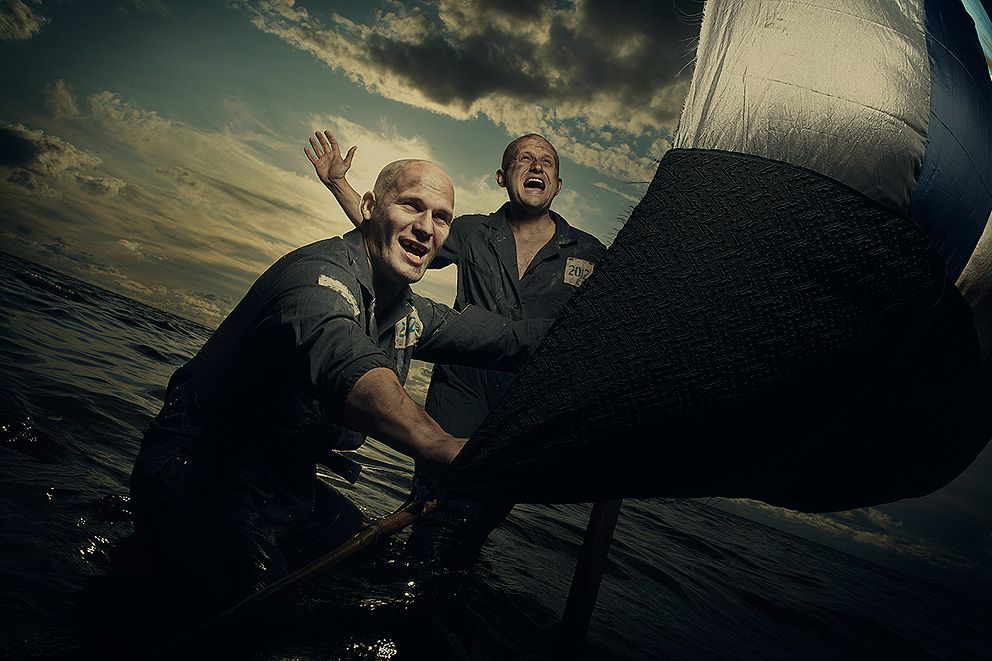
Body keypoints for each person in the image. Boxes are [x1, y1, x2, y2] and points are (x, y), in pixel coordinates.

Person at [128, 159, 551, 626]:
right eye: (411, 205)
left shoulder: (407, 312)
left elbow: (509, 339)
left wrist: (597, 330)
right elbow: (345, 361)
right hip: (195, 474)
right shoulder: (317, 278)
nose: (426, 227)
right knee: (258, 619)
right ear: (369, 207)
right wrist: (435, 443)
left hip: (284, 486)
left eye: (442, 217)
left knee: (376, 568)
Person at [307, 131, 607, 563]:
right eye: (524, 159)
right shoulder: (471, 231)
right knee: (437, 518)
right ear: (502, 177)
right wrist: (339, 184)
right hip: (459, 396)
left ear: (558, 184)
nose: (537, 166)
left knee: (471, 528)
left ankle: (416, 579)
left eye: (547, 161)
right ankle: (406, 584)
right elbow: (395, 234)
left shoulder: (590, 254)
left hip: (525, 409)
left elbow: (608, 327)